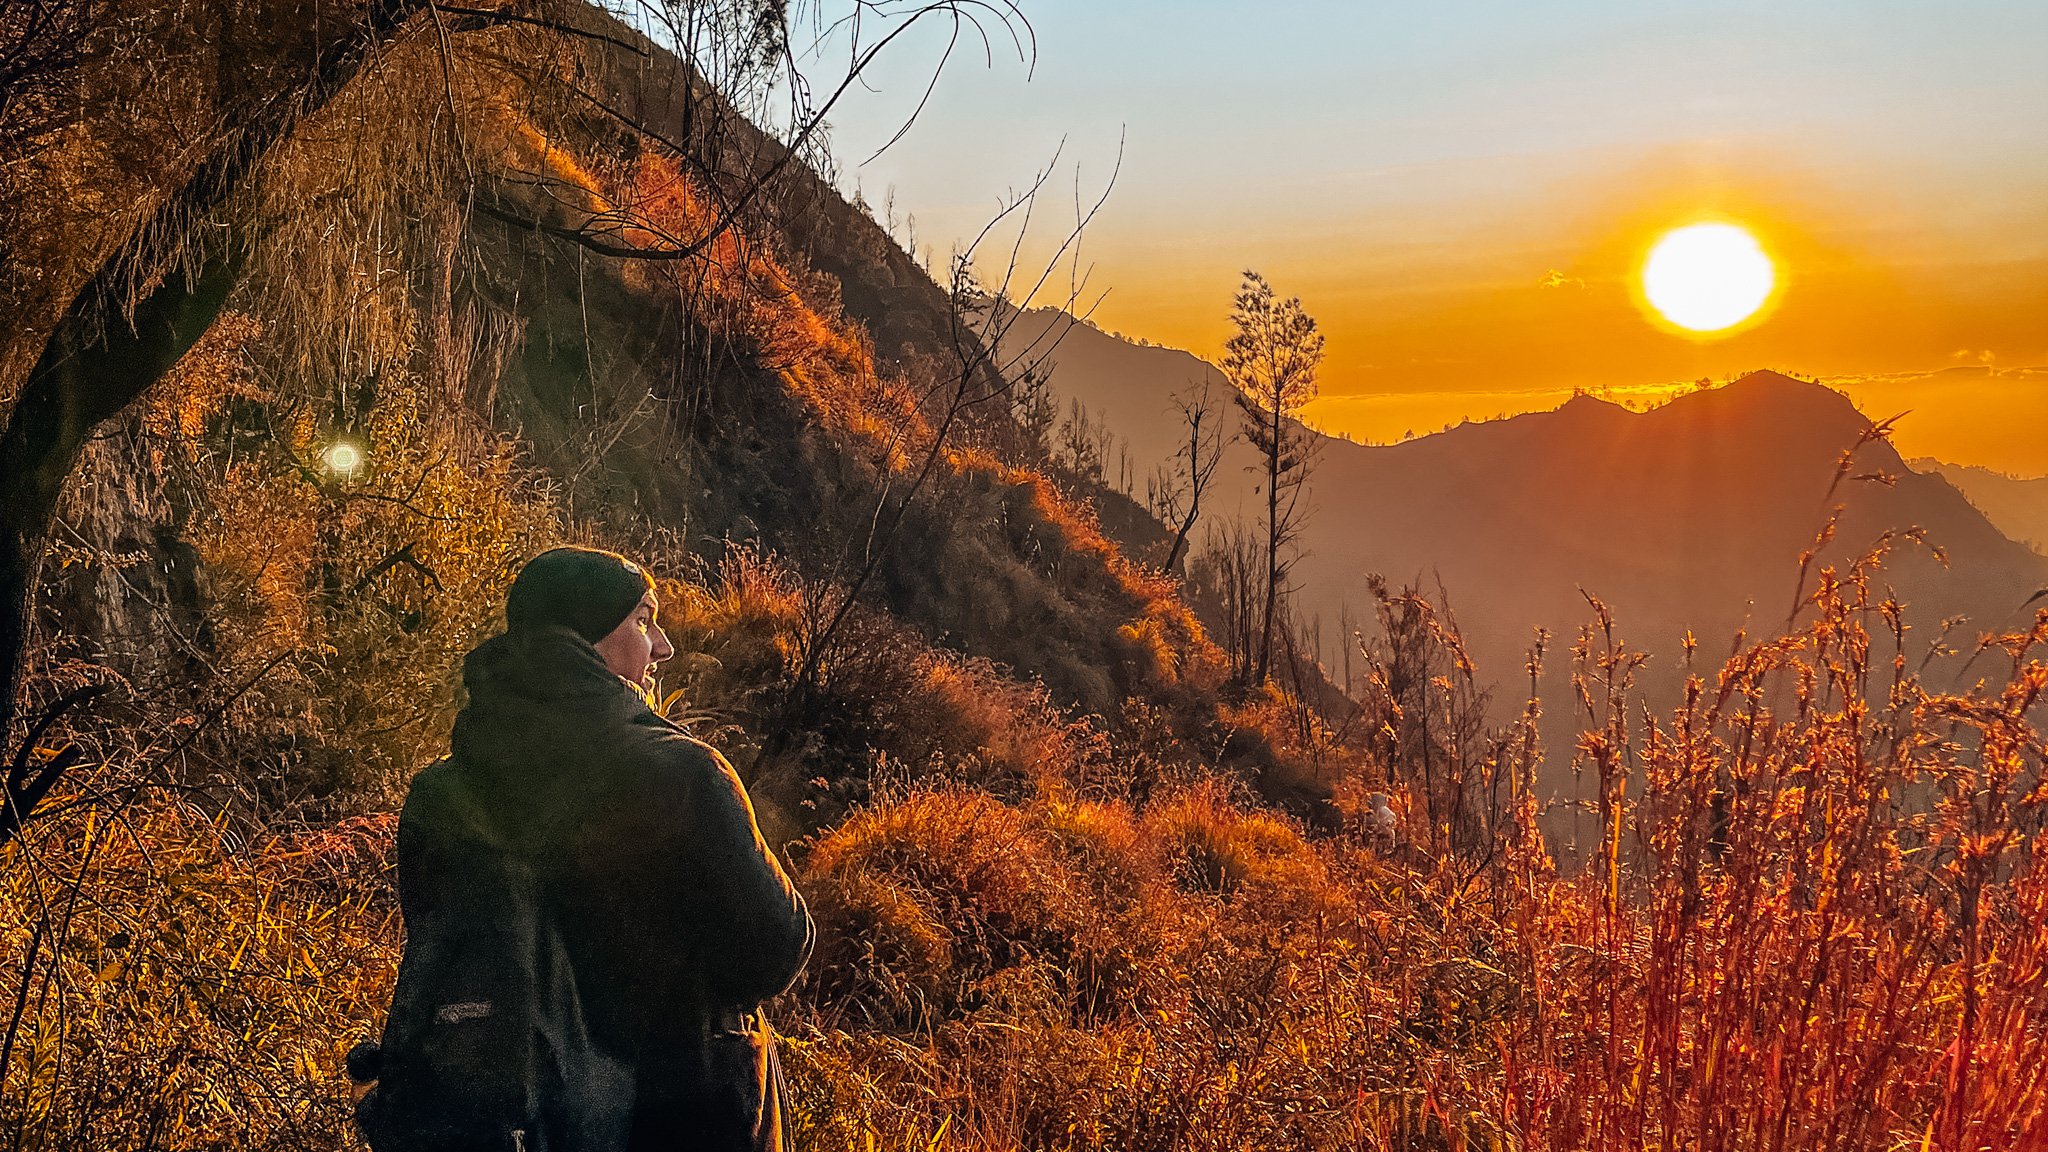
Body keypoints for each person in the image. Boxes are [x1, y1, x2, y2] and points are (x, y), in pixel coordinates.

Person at [356, 546, 814, 1152]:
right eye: (642, 620)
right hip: (672, 1115)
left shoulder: (442, 790)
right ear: (588, 637)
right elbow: (776, 951)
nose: (663, 647)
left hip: (506, 1119)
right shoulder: (681, 774)